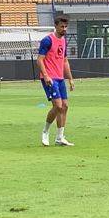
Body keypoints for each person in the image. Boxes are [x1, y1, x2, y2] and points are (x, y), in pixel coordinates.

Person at [37, 16, 75, 147]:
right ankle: (45, 132)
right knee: (58, 106)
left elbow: (64, 61)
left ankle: (60, 137)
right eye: (62, 27)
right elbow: (40, 59)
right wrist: (46, 75)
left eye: (65, 27)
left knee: (65, 106)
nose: (64, 29)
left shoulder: (64, 41)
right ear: (56, 26)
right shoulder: (47, 40)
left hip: (59, 78)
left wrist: (70, 79)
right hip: (49, 78)